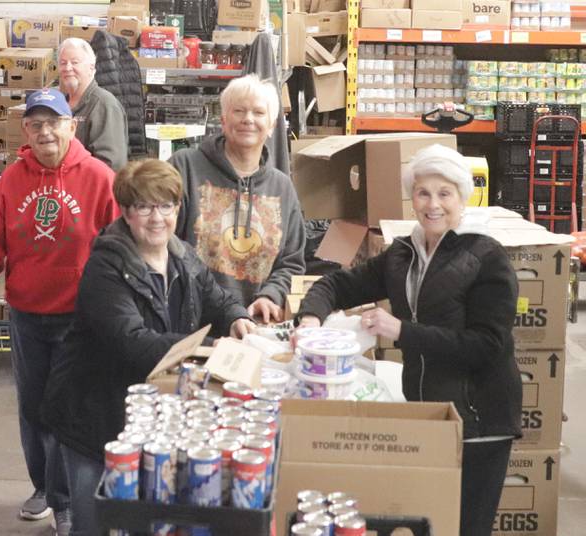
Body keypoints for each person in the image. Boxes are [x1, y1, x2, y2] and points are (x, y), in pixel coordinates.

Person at [296, 144, 522, 536]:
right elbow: (337, 283)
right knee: (429, 523)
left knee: (466, 527)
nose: (433, 204)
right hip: (427, 414)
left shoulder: (487, 257)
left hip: (479, 421)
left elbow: (485, 346)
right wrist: (311, 318)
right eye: (423, 193)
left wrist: (401, 331)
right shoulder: (402, 254)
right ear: (411, 197)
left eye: (444, 193)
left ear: (462, 197)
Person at [39, 159, 256, 535]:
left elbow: (215, 297)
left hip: (144, 412)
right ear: (125, 211)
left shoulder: (182, 255)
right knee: (93, 522)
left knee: (139, 519)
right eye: (144, 207)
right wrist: (209, 348)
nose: (157, 218)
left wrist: (238, 317)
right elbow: (132, 342)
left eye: (166, 206)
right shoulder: (107, 266)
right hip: (93, 414)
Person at [0, 88, 119, 532]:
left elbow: (118, 248)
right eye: (36, 124)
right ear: (25, 131)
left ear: (71, 126)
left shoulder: (99, 178)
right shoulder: (10, 182)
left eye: (53, 122)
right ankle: (43, 485)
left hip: (79, 318)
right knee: (33, 407)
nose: (45, 132)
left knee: (67, 409)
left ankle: (63, 500)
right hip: (26, 314)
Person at [170, 74, 305, 325]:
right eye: (239, 111)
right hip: (190, 323)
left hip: (254, 326)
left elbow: (291, 262)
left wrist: (270, 295)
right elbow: (165, 243)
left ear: (273, 124)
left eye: (258, 112)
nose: (248, 120)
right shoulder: (185, 167)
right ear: (223, 119)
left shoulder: (282, 187)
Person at [57, 37, 128, 172]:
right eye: (63, 63)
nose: (67, 68)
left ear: (91, 67)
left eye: (75, 62)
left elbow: (111, 164)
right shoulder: (60, 104)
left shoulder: (104, 104)